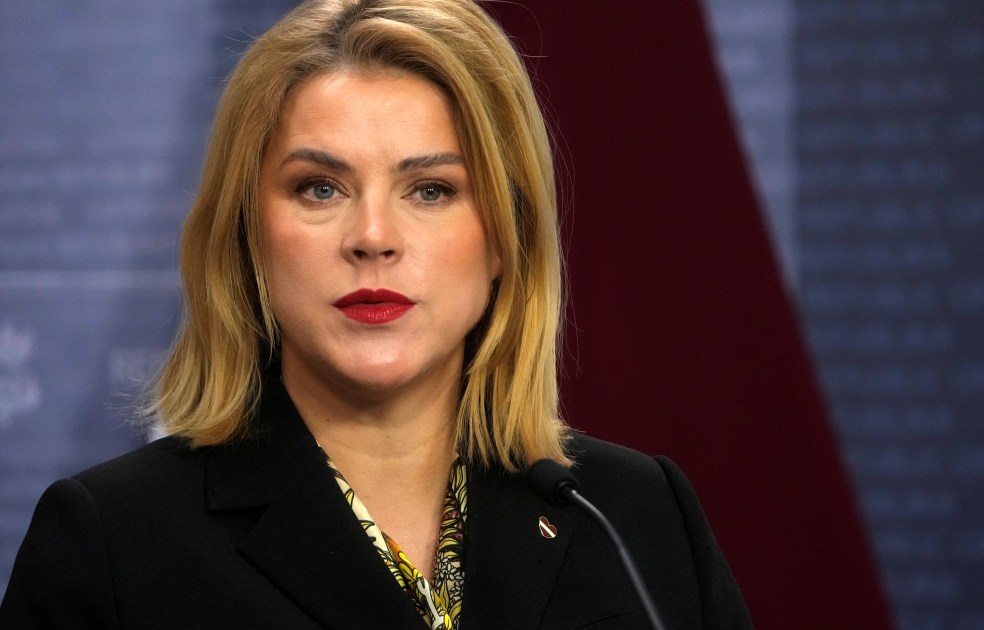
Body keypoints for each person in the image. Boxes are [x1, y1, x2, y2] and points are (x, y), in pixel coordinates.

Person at [0, 0, 752, 628]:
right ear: (250, 233)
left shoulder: (637, 516)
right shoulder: (112, 543)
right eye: (320, 188)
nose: (372, 237)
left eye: (430, 190)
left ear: (505, 237)